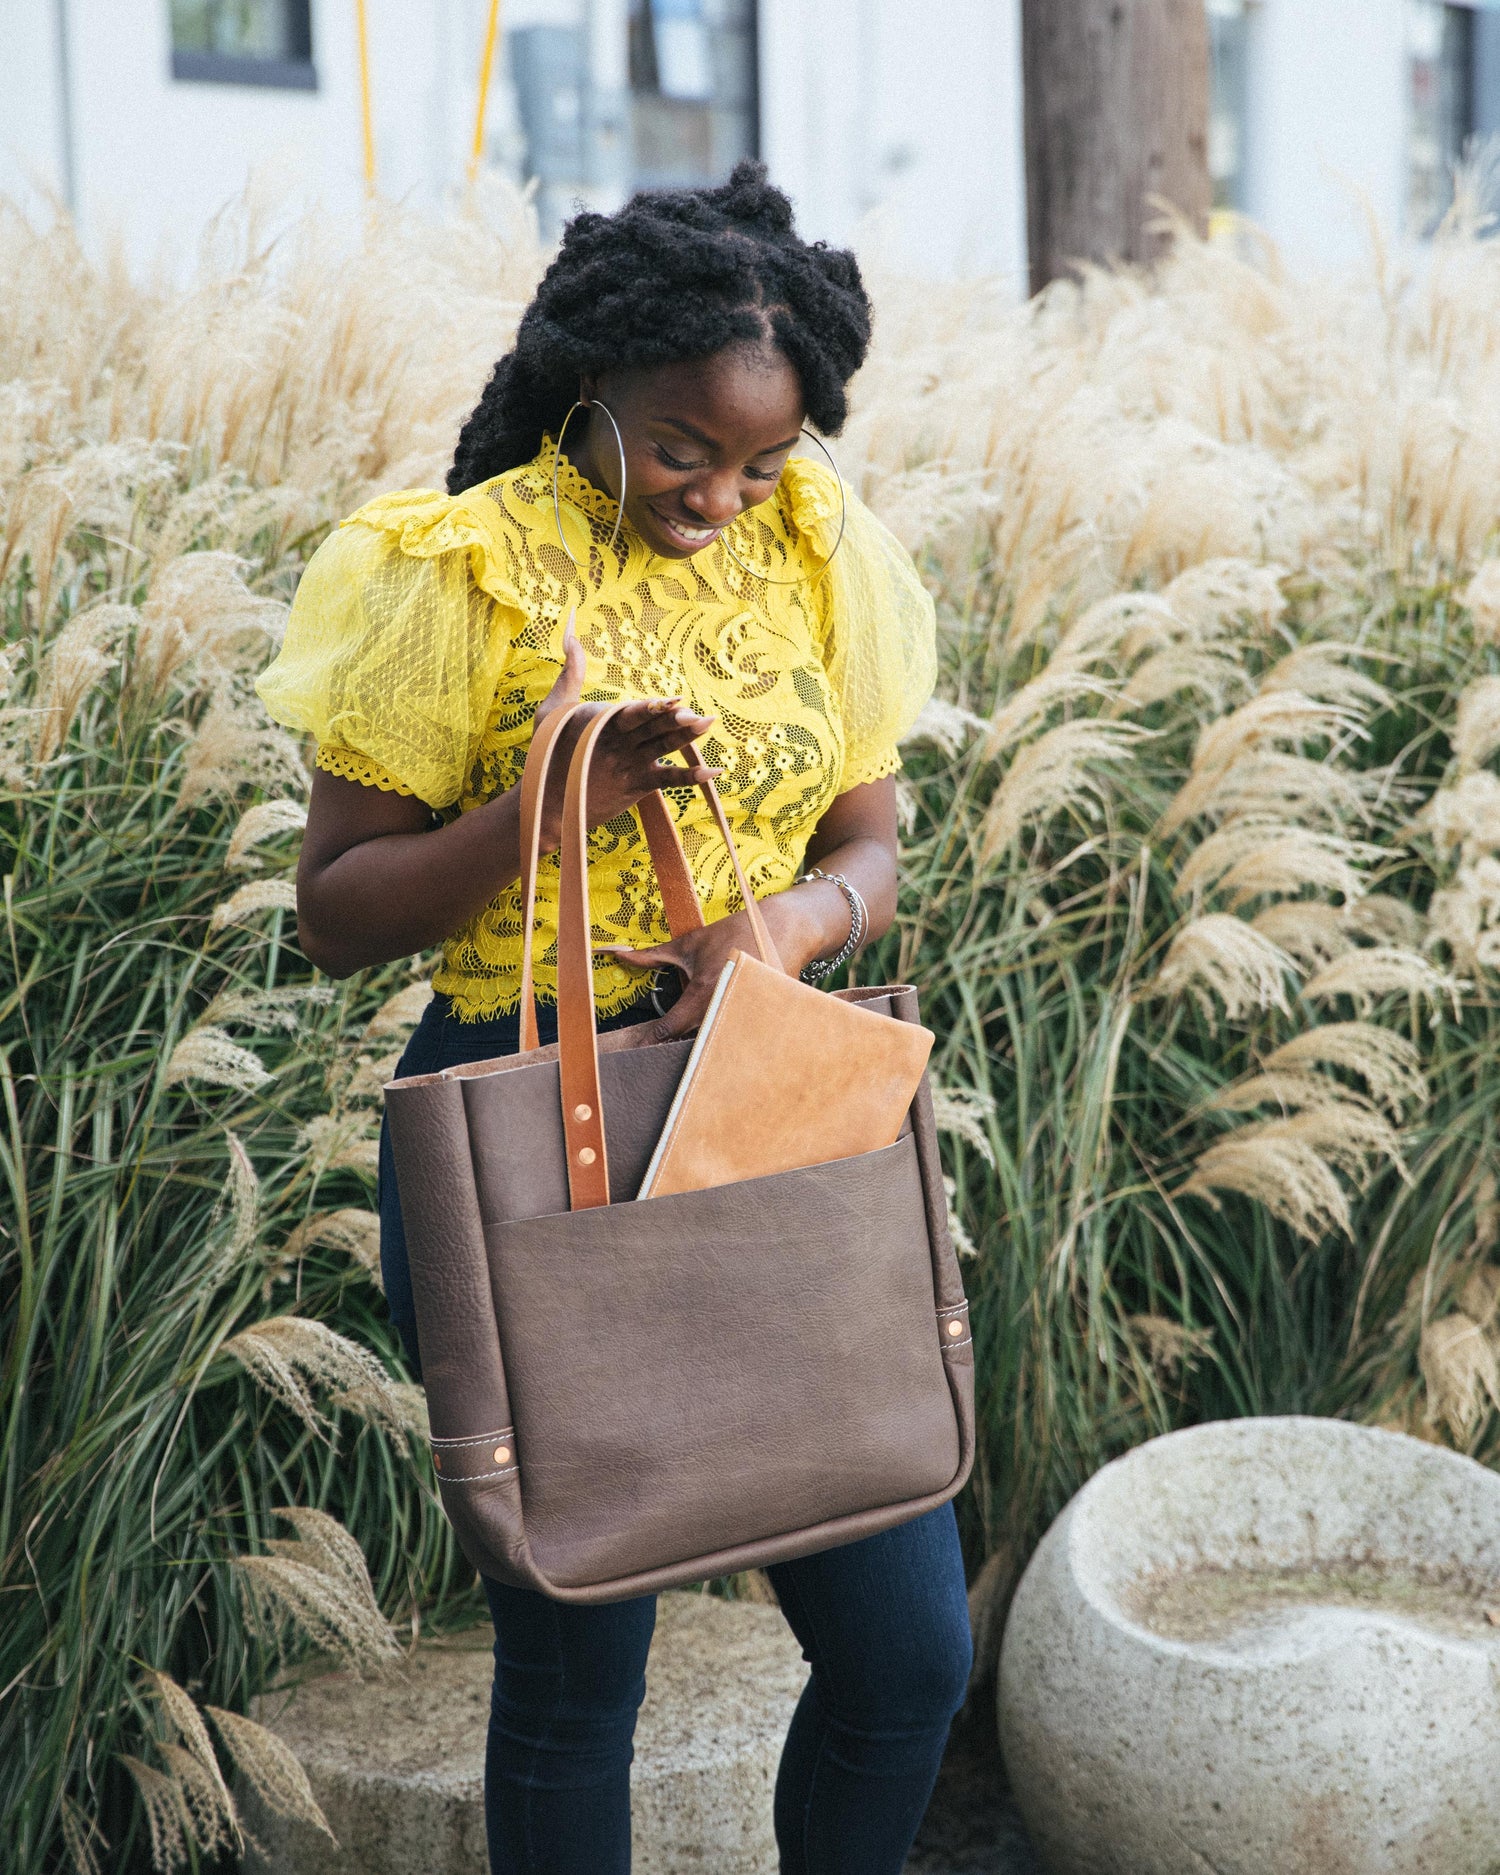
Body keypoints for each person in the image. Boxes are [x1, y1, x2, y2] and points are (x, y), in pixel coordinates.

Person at [256, 159, 971, 1875]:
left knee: (909, 1654)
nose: (725, 495)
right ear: (590, 392)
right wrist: (539, 820)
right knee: (584, 1666)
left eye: (761, 459)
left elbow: (872, 836)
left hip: (764, 1098)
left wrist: (784, 925)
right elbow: (337, 909)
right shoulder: (458, 570)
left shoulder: (818, 546)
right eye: (683, 450)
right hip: (525, 1127)